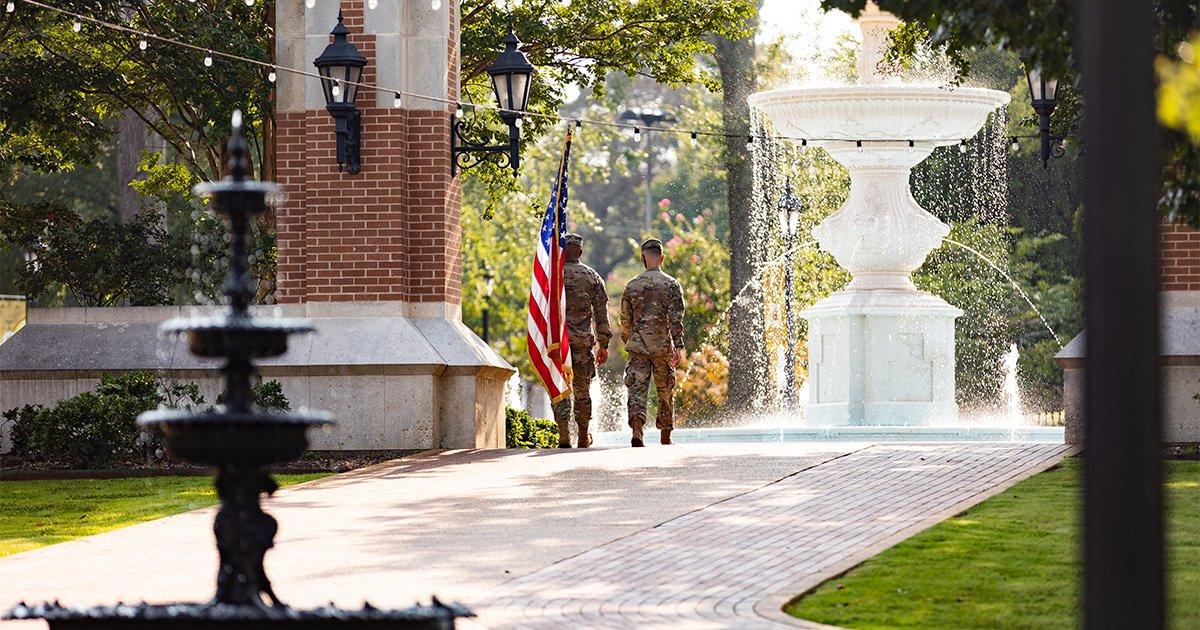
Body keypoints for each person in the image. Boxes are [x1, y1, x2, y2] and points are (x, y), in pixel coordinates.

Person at [620, 238, 685, 447]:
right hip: (662, 346)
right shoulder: (672, 284)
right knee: (665, 390)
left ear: (642, 258)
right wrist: (679, 345)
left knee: (637, 389)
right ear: (662, 258)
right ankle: (665, 435)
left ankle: (637, 431)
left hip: (638, 347)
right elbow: (676, 318)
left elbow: (625, 318)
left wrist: (627, 337)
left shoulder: (632, 286)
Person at [551, 233, 612, 448]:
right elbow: (601, 315)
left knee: (560, 387)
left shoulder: (553, 277)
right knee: (582, 389)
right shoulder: (592, 277)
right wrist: (603, 344)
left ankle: (563, 433)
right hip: (583, 343)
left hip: (558, 344)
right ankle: (584, 434)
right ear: (580, 251)